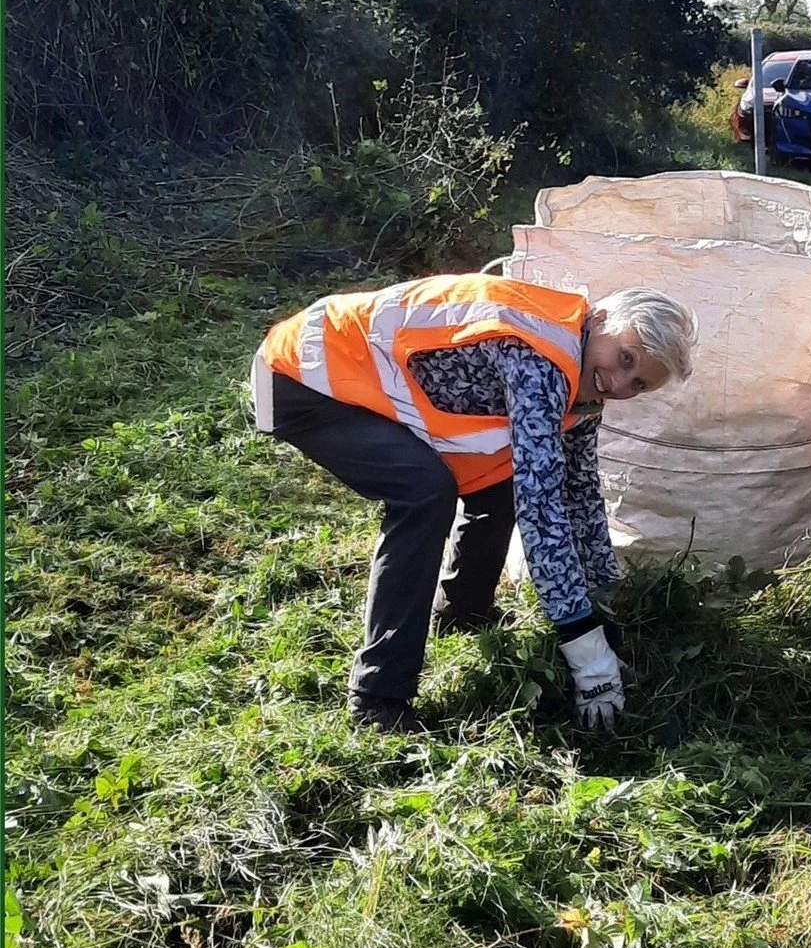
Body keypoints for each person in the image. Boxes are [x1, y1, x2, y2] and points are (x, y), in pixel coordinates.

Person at [250, 273, 698, 734]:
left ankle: (463, 612)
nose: (618, 382)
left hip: (361, 382)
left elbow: (579, 493)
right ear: (599, 320)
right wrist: (585, 649)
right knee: (424, 493)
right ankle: (379, 698)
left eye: (638, 384)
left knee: (501, 476)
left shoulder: (581, 393)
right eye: (624, 358)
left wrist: (606, 598)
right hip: (304, 375)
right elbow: (542, 513)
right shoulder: (542, 358)